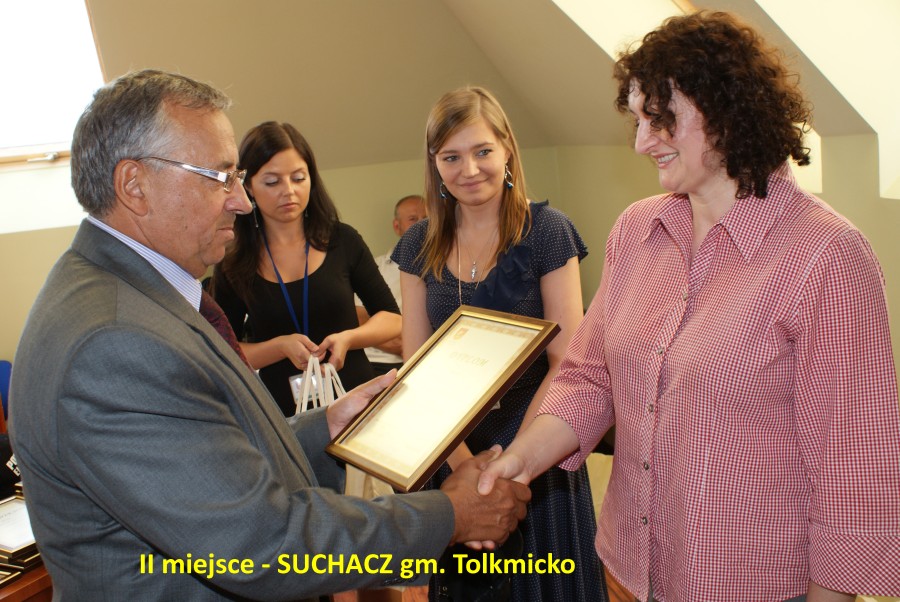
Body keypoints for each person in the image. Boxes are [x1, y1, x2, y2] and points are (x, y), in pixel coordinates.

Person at [8, 69, 531, 602]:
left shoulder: (129, 292)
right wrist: (450, 514)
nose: (240, 200)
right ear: (134, 185)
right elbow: (257, 544)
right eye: (220, 177)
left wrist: (327, 426)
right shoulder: (115, 342)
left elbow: (211, 463)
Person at [478, 11, 900, 602]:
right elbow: (588, 377)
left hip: (749, 586)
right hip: (629, 569)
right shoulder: (637, 230)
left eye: (661, 118)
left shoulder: (825, 255)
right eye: (638, 120)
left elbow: (853, 464)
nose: (642, 142)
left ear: (727, 110)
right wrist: (520, 459)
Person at [392, 86, 606, 601]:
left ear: (507, 148)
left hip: (538, 446)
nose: (469, 169)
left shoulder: (548, 232)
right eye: (451, 157)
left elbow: (567, 363)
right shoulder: (417, 245)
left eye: (482, 151)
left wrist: (516, 462)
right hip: (451, 452)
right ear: (434, 163)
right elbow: (415, 369)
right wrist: (466, 467)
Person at [209, 121, 400, 417]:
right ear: (248, 186)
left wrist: (349, 338)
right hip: (285, 415)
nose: (289, 191)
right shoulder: (234, 260)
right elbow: (222, 349)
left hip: (358, 400)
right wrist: (279, 347)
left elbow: (393, 319)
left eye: (298, 178)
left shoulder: (342, 240)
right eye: (272, 182)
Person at [354, 194, 427, 376]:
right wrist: (402, 344)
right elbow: (358, 317)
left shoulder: (446, 267)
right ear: (397, 226)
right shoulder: (376, 266)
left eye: (426, 218)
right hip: (375, 362)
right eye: (413, 219)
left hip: (427, 360)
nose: (422, 224)